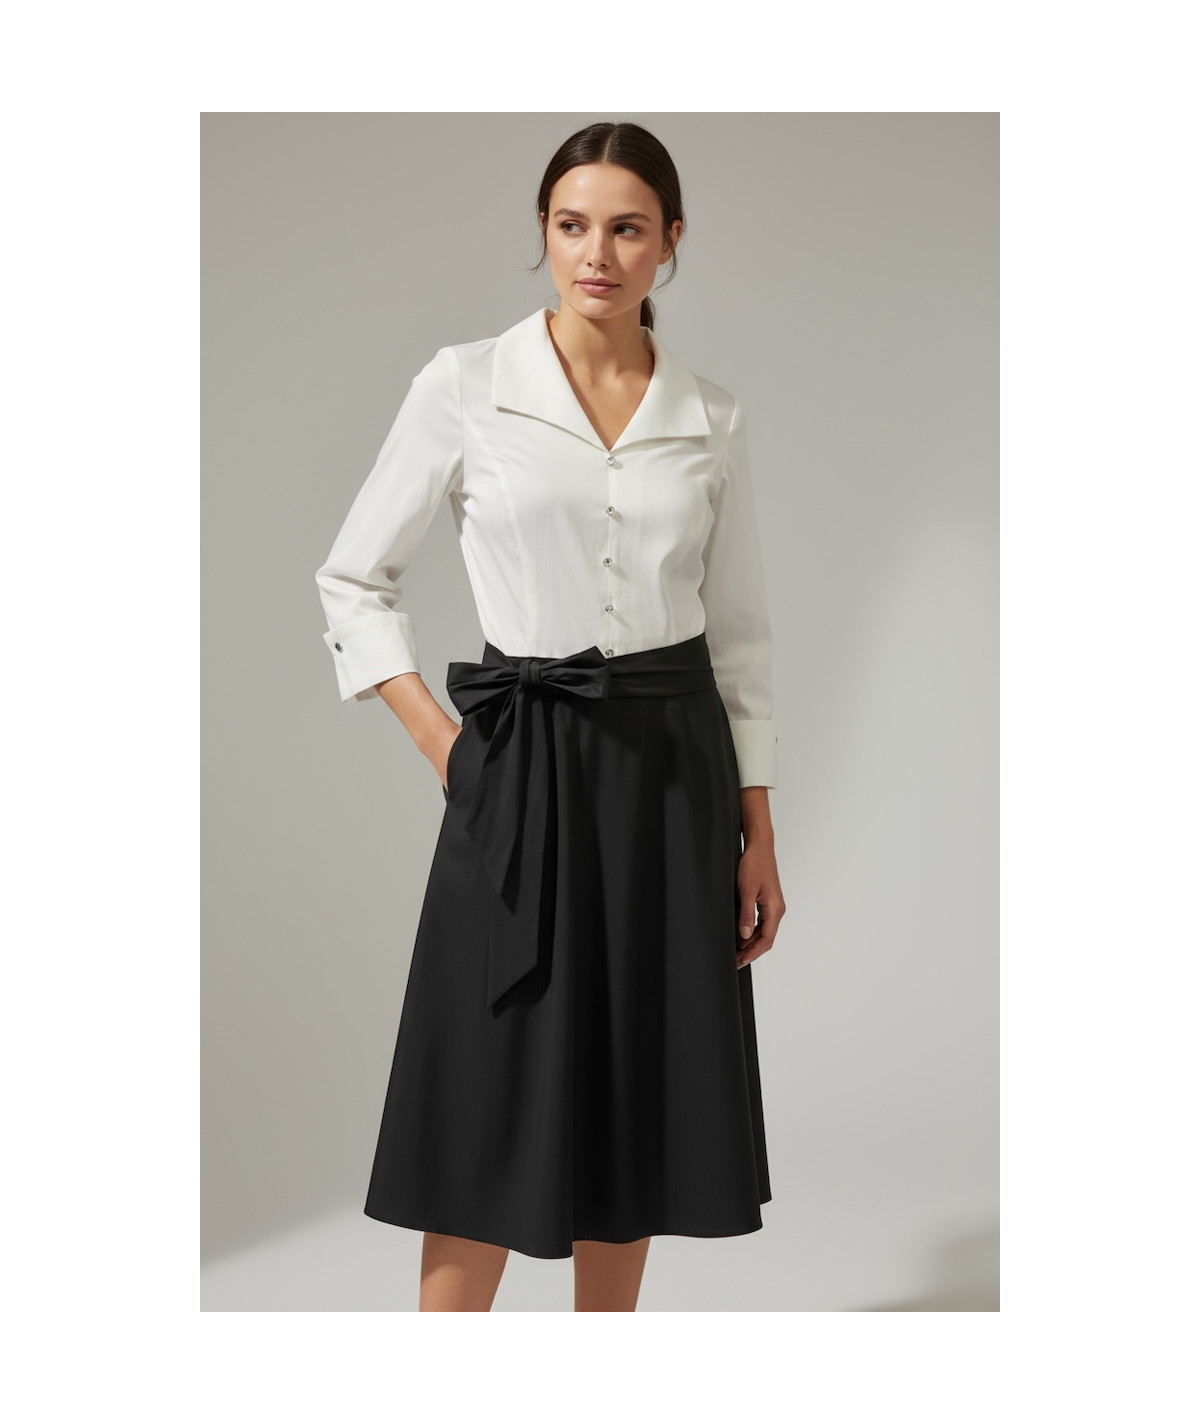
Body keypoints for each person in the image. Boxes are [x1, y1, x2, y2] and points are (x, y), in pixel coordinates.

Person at [315, 121, 787, 1312]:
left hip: (673, 775)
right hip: (521, 764)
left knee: (635, 1090)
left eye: (627, 229)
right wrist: (447, 745)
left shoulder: (711, 415)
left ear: (670, 241)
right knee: (488, 1085)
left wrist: (758, 829)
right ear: (544, 232)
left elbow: (738, 638)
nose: (597, 254)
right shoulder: (466, 385)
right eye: (573, 226)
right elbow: (351, 579)